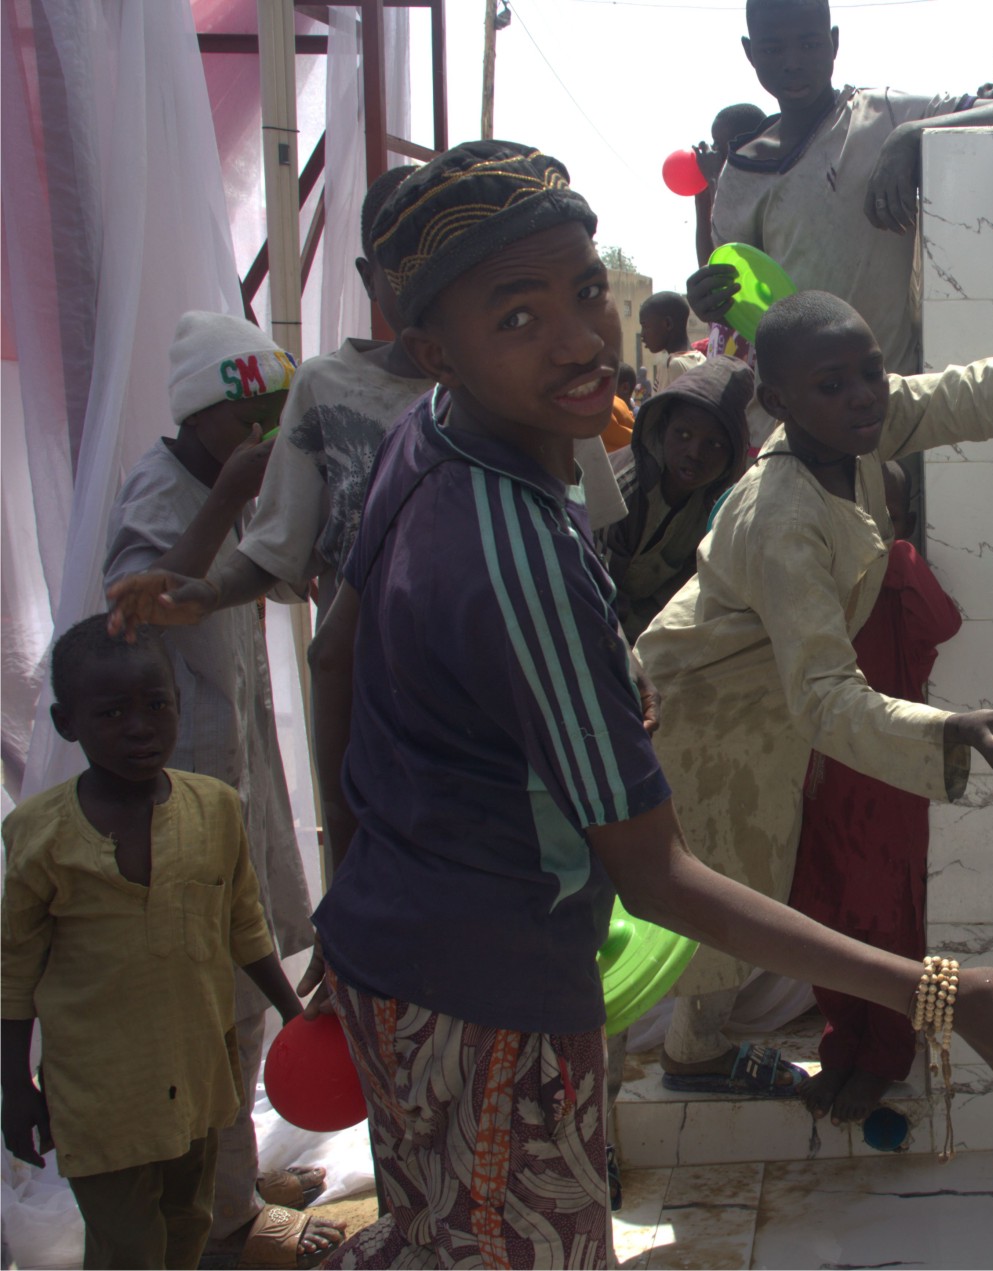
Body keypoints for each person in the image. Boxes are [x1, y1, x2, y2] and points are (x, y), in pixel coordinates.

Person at [298, 139, 993, 1264]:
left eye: (582, 291)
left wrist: (348, 881)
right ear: (433, 347)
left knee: (435, 1233)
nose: (578, 338)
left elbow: (337, 656)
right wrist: (946, 993)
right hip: (488, 995)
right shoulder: (518, 552)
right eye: (516, 317)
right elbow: (657, 875)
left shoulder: (431, 444)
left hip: (397, 938)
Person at [637, 233, 993, 1095]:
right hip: (701, 707)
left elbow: (969, 393)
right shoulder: (783, 514)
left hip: (756, 688)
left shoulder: (849, 431)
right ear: (775, 401)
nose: (862, 397)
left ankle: (694, 1047)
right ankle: (675, 1057)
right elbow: (821, 697)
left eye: (870, 371)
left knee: (743, 868)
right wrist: (949, 730)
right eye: (832, 383)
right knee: (718, 874)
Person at [102, 167, 627, 642]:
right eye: (401, 266)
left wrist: (615, 650)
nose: (422, 282)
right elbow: (279, 549)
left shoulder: (547, 385)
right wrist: (212, 591)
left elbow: (587, 544)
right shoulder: (326, 390)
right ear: (368, 275)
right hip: (377, 695)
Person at [98, 312, 344, 1264]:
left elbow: (275, 577)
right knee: (215, 1006)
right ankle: (231, 1223)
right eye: (250, 422)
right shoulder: (166, 493)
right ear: (204, 420)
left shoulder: (230, 480)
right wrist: (229, 500)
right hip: (182, 790)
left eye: (278, 418)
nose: (265, 438)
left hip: (234, 774)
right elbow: (133, 608)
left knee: (242, 989)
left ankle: (230, 1180)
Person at [2, 617, 306, 1270]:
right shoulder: (40, 835)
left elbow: (244, 924)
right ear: (66, 722)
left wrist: (292, 1010)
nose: (140, 726)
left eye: (157, 704)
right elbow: (14, 970)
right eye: (111, 712)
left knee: (186, 1227)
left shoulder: (214, 808)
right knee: (129, 1250)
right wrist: (15, 1084)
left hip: (196, 1079)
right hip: (98, 1095)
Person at [688, 0, 993, 377]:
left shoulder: (884, 116)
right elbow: (740, 291)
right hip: (800, 412)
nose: (792, 61)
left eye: (809, 44)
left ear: (834, 44)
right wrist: (708, 299)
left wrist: (911, 136)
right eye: (772, 48)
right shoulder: (741, 173)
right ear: (750, 52)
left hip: (891, 399)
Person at [789, 461, 961, 1122]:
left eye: (873, 508)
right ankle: (841, 1046)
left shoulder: (894, 574)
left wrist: (888, 554)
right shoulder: (810, 573)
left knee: (887, 916)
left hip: (888, 776)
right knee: (822, 908)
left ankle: (886, 1053)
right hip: (820, 770)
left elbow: (941, 623)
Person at [601, 355, 754, 640]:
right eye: (683, 434)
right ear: (663, 426)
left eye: (714, 444)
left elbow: (683, 593)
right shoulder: (624, 492)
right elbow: (598, 599)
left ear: (732, 453)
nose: (695, 453)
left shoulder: (713, 506)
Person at [694, 102, 770, 267]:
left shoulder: (767, 188)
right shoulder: (721, 191)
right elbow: (709, 268)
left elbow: (732, 252)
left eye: (720, 148)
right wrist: (701, 202)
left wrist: (715, 179)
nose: (714, 154)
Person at [639, 291, 706, 389]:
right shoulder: (703, 359)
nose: (642, 335)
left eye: (645, 326)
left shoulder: (673, 365)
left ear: (667, 324)